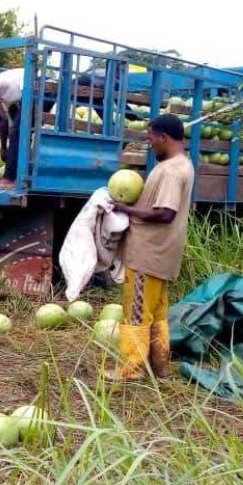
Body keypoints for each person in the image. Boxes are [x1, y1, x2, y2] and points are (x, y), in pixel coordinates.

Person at [106, 113, 194, 381]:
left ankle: (131, 369)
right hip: (161, 255)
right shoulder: (181, 164)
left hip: (148, 254)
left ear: (164, 137)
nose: (150, 143)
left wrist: (125, 209)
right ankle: (160, 367)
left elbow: (166, 212)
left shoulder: (170, 170)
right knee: (156, 313)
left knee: (136, 311)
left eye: (152, 137)